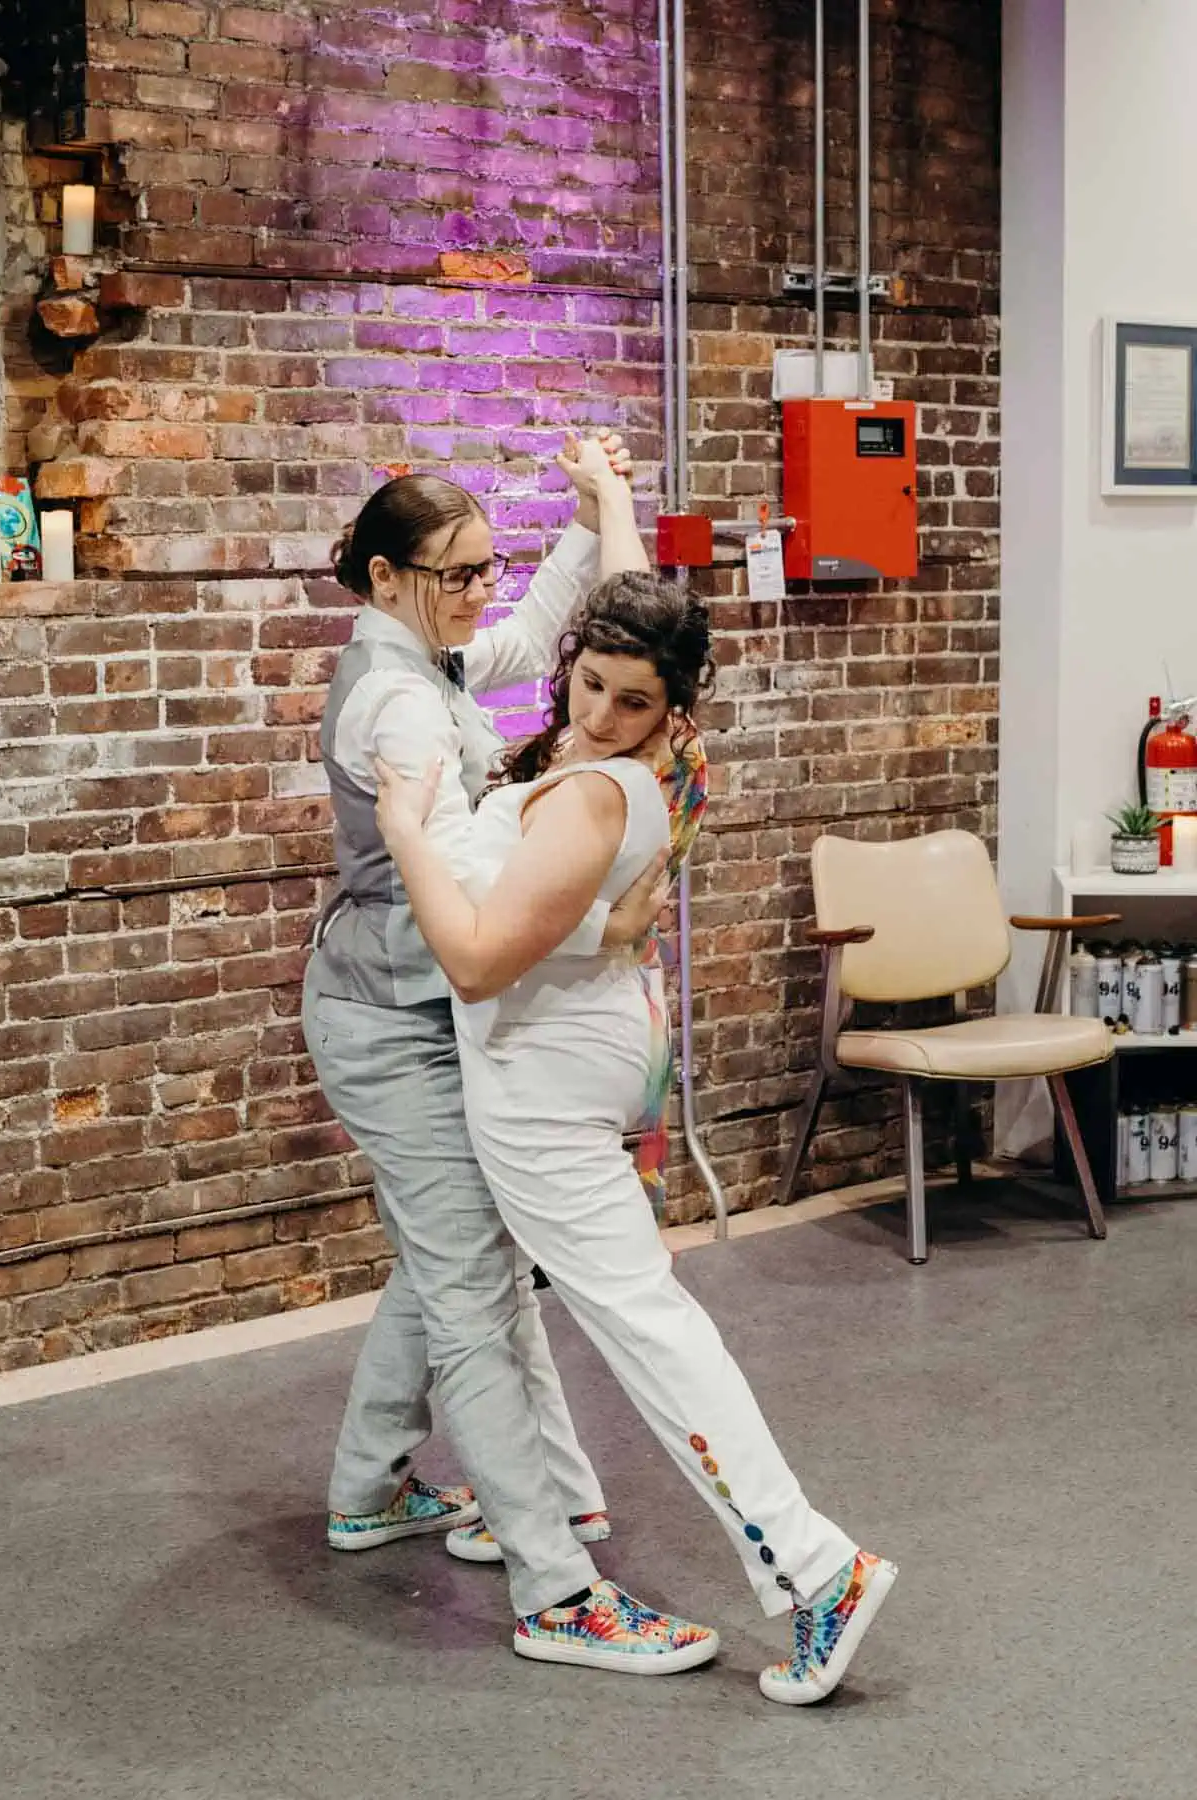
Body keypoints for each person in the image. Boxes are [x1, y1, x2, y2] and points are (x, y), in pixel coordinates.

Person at [372, 477, 899, 1704]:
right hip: (576, 1052)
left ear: (675, 710)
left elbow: (475, 954)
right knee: (536, 1306)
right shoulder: (632, 754)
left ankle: (818, 1570)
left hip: (544, 1083)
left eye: (633, 701)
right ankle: (551, 1503)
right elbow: (627, 611)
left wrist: (408, 823)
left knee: (646, 1328)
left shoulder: (602, 789)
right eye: (591, 683)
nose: (602, 713)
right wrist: (609, 497)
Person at [304, 434, 718, 1672]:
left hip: (424, 1013)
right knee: (479, 1290)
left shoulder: (423, 659)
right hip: (390, 1025)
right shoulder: (393, 706)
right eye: (459, 572)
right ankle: (554, 1590)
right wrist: (580, 912)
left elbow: (546, 636)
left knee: (448, 1257)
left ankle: (368, 1488)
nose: (484, 590)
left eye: (489, 565)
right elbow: (467, 899)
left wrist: (600, 508)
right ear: (385, 578)